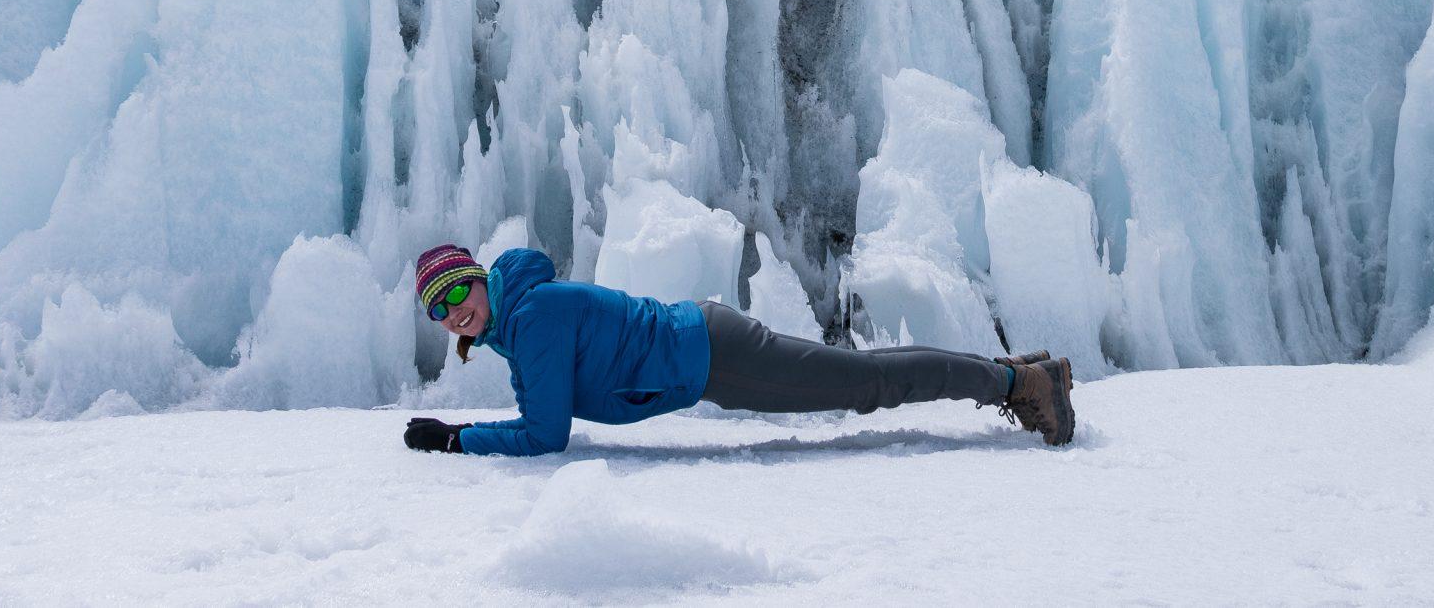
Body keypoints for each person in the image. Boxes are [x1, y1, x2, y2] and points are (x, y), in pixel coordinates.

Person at [399, 242, 1074, 457]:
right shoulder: (517, 323)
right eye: (441, 311)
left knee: (865, 382)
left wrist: (460, 438)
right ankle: (1020, 372)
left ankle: (1017, 385)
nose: (456, 312)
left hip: (714, 356)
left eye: (458, 292)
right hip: (707, 352)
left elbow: (545, 431)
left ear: (478, 274)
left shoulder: (533, 315)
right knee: (861, 379)